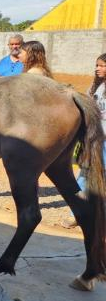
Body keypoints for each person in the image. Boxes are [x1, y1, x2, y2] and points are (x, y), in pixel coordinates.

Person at [64, 53, 106, 228]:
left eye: (102, 65)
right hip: (94, 137)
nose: (97, 68)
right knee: (84, 173)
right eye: (97, 65)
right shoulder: (96, 86)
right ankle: (77, 213)